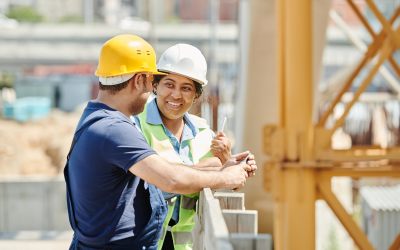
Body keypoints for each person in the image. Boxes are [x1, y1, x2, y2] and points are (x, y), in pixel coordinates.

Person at [65, 34, 254, 250]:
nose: (150, 93)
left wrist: (222, 168)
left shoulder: (99, 120)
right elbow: (169, 180)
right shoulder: (115, 129)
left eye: (186, 88)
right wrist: (222, 174)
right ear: (139, 81)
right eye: (152, 82)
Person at [133, 44, 256, 250]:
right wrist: (209, 169)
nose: (176, 94)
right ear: (155, 86)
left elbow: (217, 186)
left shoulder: (203, 132)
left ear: (196, 95)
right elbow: (152, 185)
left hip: (184, 245)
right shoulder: (136, 124)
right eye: (169, 84)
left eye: (186, 88)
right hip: (142, 241)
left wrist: (229, 162)